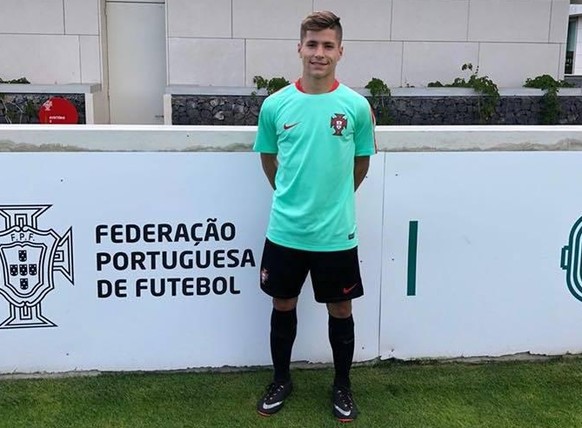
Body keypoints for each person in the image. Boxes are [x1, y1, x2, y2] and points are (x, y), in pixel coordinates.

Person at [253, 10, 376, 423]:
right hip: (286, 231)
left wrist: (332, 201)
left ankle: (342, 386)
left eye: (327, 46)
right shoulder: (275, 105)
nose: (318, 53)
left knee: (341, 311)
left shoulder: (356, 107)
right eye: (312, 44)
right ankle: (281, 380)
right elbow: (270, 162)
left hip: (335, 233)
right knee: (283, 304)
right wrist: (294, 199)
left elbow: (361, 165)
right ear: (299, 48)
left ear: (340, 51)